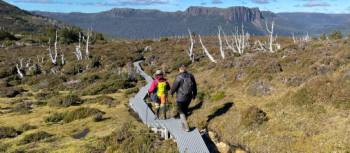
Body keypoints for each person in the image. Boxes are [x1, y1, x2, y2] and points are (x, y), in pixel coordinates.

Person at [171, 64, 197, 132]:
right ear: (185, 69)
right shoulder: (191, 75)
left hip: (180, 97)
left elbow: (174, 86)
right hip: (189, 97)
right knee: (185, 110)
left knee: (181, 111)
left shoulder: (179, 77)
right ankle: (183, 126)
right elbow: (194, 86)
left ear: (180, 69)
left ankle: (186, 127)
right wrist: (194, 94)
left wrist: (171, 92)